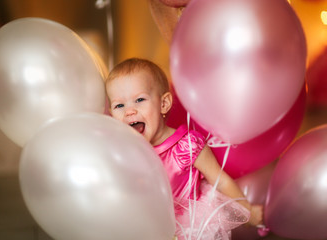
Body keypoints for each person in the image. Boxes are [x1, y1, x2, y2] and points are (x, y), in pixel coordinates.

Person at [105, 58, 263, 239]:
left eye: (139, 99)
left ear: (163, 104)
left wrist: (248, 212)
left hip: (188, 227)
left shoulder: (187, 145)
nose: (129, 111)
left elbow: (221, 180)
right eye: (119, 105)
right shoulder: (121, 152)